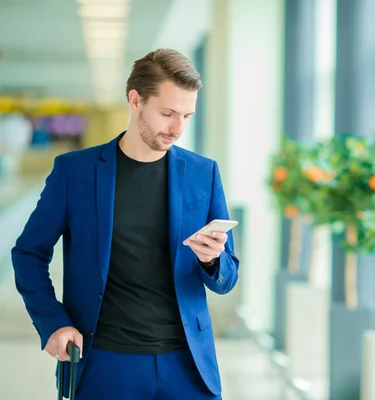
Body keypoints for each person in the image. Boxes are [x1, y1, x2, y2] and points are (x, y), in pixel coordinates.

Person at [11, 48, 239, 400]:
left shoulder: (202, 173)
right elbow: (28, 252)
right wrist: (52, 322)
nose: (178, 128)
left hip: (189, 366)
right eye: (167, 113)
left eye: (187, 116)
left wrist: (212, 260)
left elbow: (228, 276)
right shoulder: (75, 172)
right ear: (135, 100)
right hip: (104, 362)